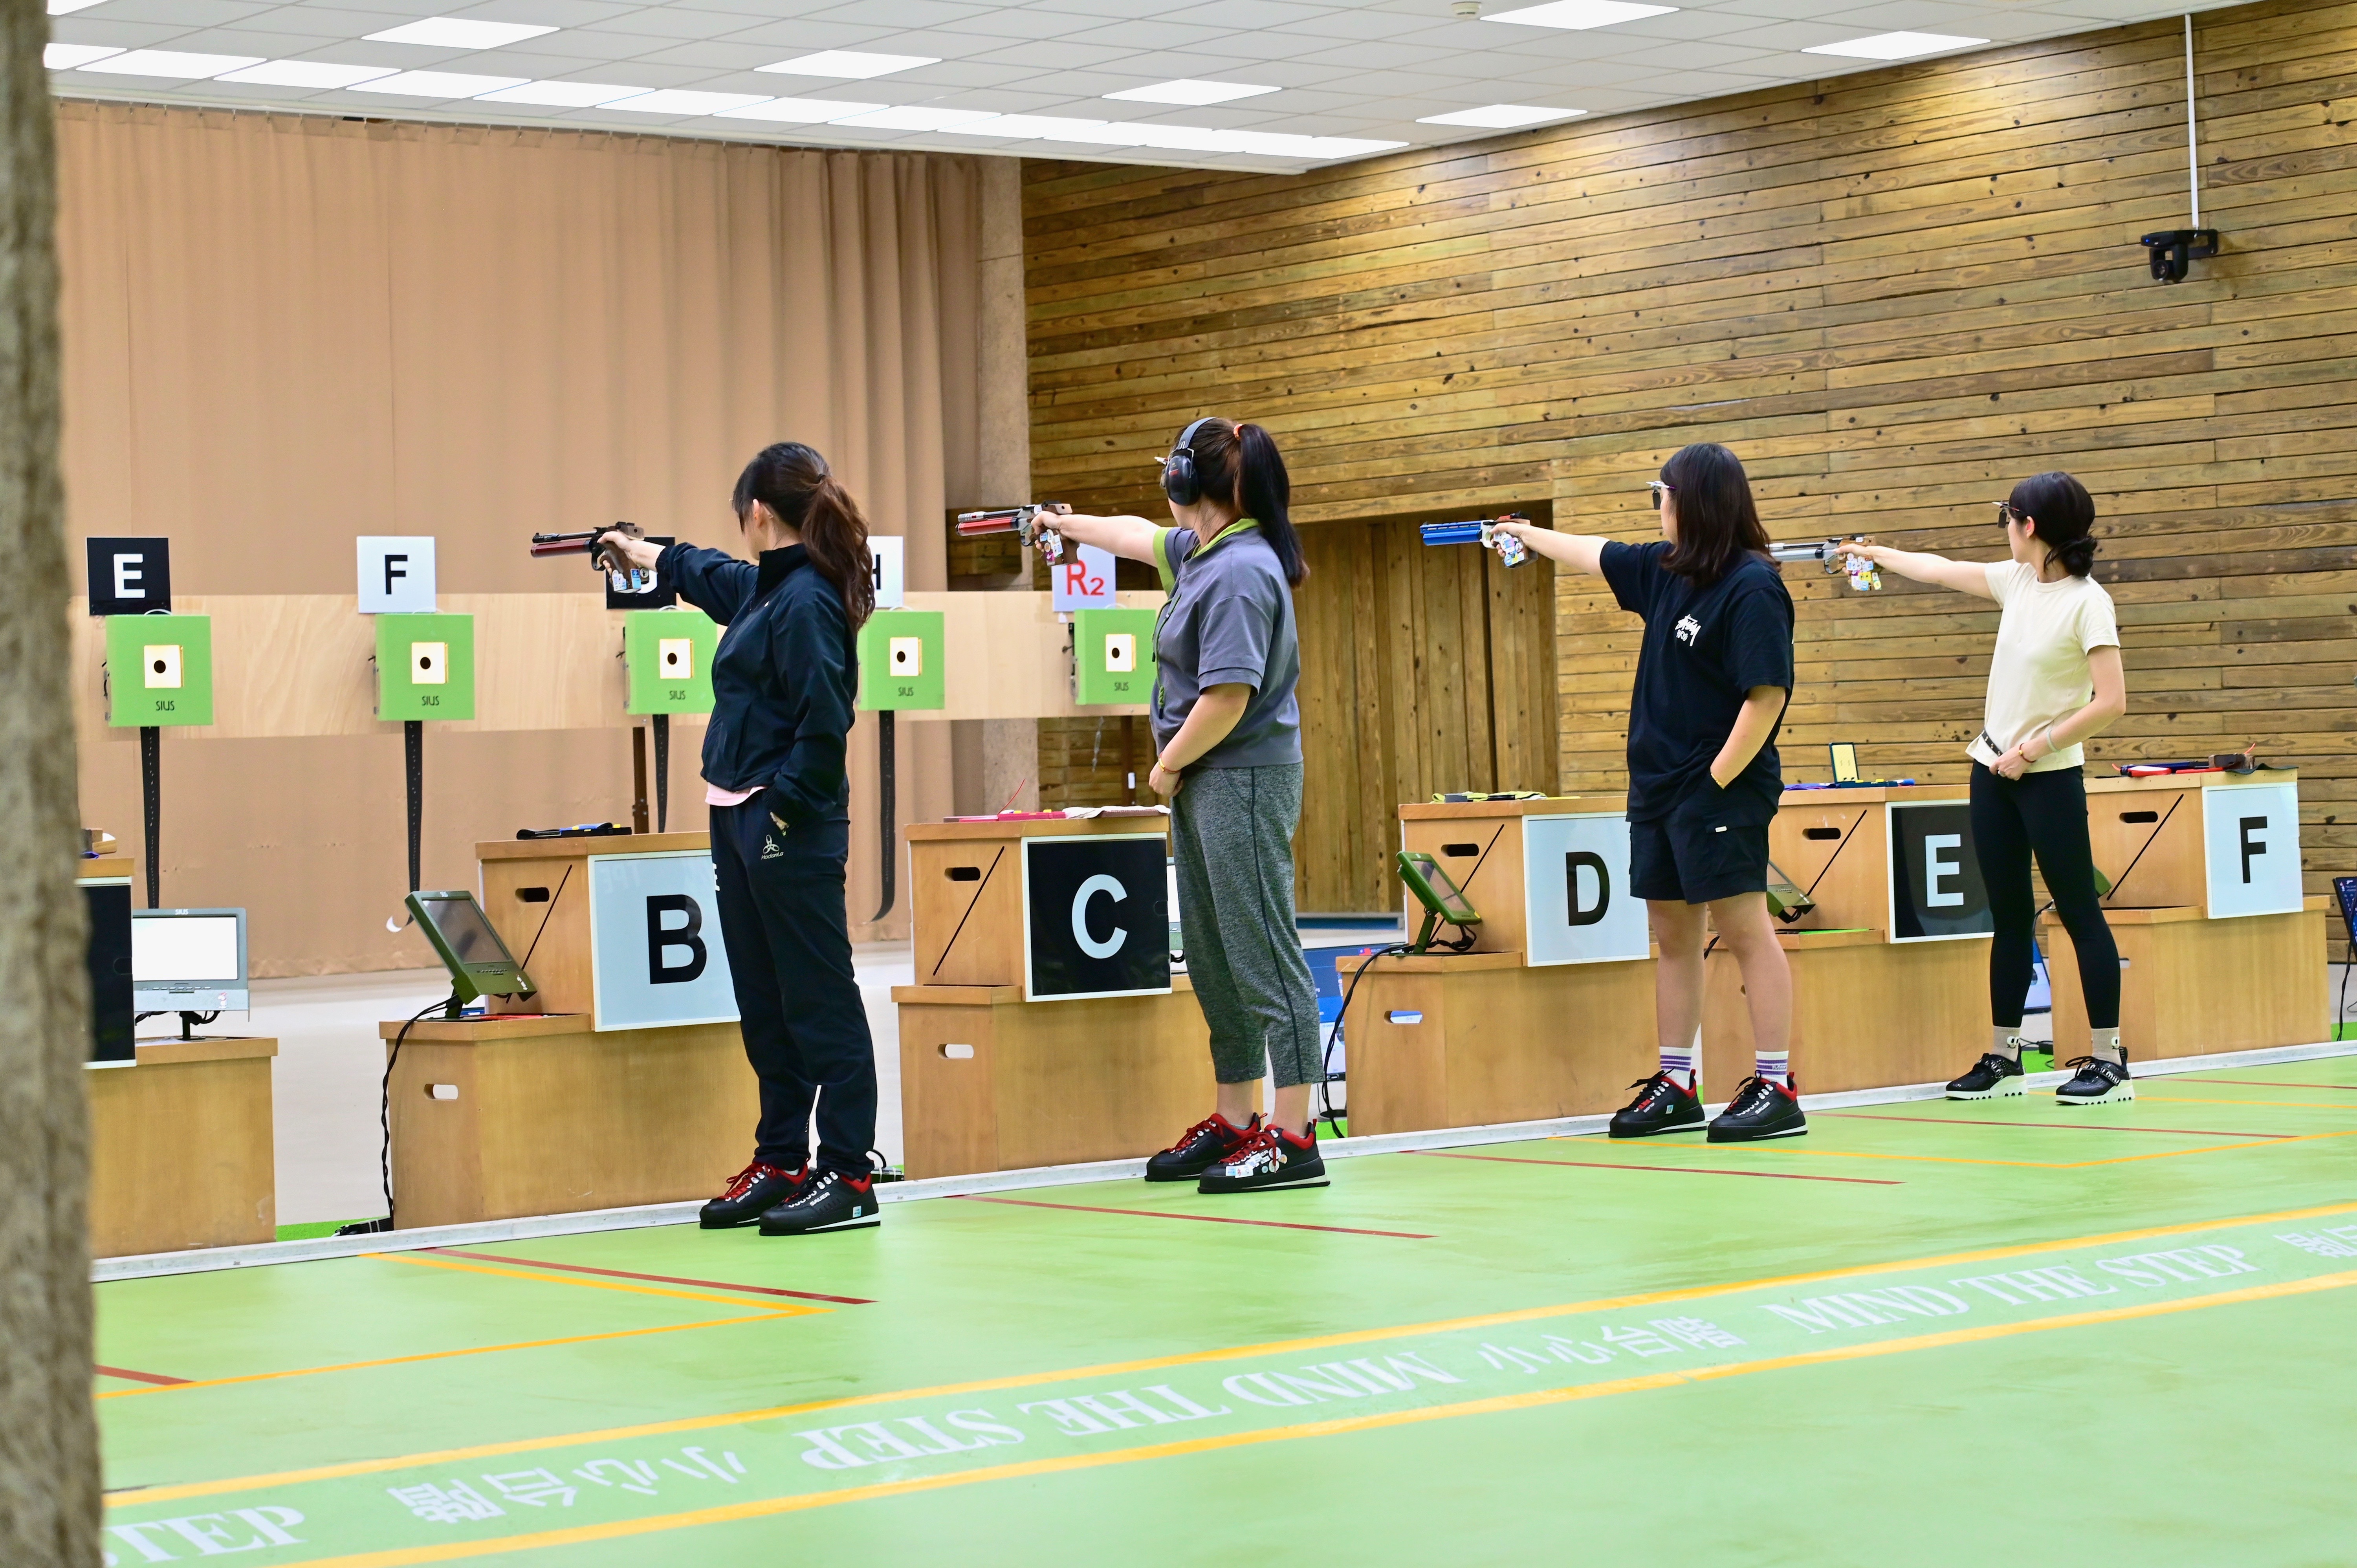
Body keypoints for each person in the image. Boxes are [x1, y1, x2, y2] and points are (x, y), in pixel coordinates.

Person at [594, 442, 886, 1235]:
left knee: (818, 999)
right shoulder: (765, 590)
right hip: (738, 813)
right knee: (766, 1001)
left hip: (786, 822)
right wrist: (641, 549)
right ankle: (783, 1157)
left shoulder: (808, 602)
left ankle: (851, 1172)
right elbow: (703, 571)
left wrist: (782, 816)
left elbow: (826, 727)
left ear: (759, 513)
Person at [1039, 418, 1328, 1192]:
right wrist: (1064, 524)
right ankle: (1238, 1119)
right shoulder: (1204, 553)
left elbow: (1228, 697)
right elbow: (1135, 537)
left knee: (1265, 954)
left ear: (1187, 482)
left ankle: (1296, 1137)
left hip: (1238, 775)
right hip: (1212, 778)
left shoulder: (1238, 571)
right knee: (1215, 953)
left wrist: (1166, 768)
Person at [1496, 443, 1803, 1143]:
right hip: (1660, 789)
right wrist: (1524, 535)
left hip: (1718, 791)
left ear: (1692, 500)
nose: (1655, 506)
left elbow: (1767, 697)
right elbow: (1592, 551)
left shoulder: (1752, 587)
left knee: (1745, 931)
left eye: (1659, 493)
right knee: (1672, 938)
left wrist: (1715, 781)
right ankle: (1676, 1083)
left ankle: (1778, 1085)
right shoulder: (1668, 572)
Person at [1836, 473, 2132, 1104]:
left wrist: (2037, 748)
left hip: (2048, 777)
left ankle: (2109, 1062)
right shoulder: (2018, 579)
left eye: (2008, 515)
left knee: (2079, 911)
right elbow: (1941, 570)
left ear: (2031, 527)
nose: (2004, 524)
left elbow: (2111, 702)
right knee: (2009, 919)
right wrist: (1875, 554)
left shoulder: (2088, 602)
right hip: (1992, 773)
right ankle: (2005, 1057)